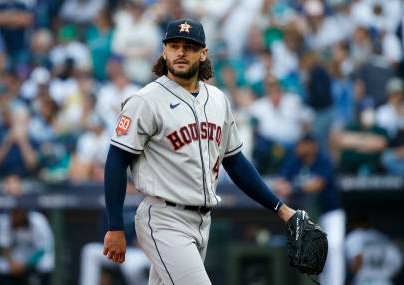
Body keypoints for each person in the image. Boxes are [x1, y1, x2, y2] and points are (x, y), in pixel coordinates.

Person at [102, 18, 297, 284]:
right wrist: (114, 226)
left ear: (203, 53)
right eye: (174, 45)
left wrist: (282, 209)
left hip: (202, 222)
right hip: (163, 219)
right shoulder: (145, 100)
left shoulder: (217, 99)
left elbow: (236, 162)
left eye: (189, 46)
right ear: (164, 51)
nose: (181, 52)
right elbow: (116, 160)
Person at [274, 134, 345, 285]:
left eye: (303, 144)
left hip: (330, 212)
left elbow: (318, 184)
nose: (299, 148)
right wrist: (286, 187)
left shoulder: (323, 160)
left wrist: (293, 188)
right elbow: (279, 185)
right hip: (306, 215)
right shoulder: (294, 161)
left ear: (312, 146)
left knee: (334, 246)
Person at [0, 208, 54, 285]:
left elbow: (43, 248)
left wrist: (25, 266)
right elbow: (4, 247)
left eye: (17, 213)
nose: (14, 217)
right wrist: (12, 263)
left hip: (36, 257)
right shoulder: (4, 220)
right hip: (16, 258)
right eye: (12, 213)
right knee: (2, 266)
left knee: (46, 264)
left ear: (24, 213)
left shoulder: (38, 220)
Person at [345, 215, 403, 285]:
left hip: (363, 282)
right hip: (384, 282)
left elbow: (357, 260)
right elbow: (397, 261)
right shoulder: (382, 238)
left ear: (356, 224)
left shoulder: (355, 236)